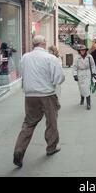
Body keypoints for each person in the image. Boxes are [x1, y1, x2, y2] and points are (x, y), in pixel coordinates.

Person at [13, 35, 65, 168]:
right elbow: (59, 78)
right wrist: (52, 83)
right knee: (51, 121)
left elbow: (22, 72)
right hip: (47, 94)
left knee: (29, 123)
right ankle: (51, 147)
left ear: (34, 44)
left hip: (30, 95)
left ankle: (19, 149)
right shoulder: (51, 58)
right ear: (44, 43)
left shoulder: (25, 57)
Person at [73, 45, 96, 110]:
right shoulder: (77, 57)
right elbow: (74, 67)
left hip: (87, 72)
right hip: (80, 73)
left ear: (86, 50)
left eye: (83, 50)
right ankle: (82, 98)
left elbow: (93, 65)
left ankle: (88, 103)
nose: (82, 51)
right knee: (81, 87)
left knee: (87, 88)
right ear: (79, 51)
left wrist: (93, 73)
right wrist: (74, 75)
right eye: (81, 50)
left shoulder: (89, 57)